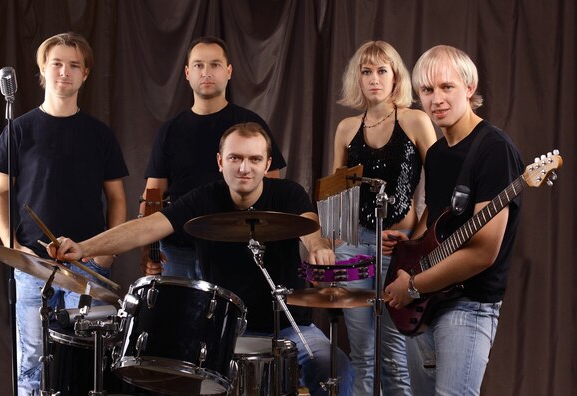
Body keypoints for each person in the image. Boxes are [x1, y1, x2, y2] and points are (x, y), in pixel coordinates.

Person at [49, 122, 354, 396]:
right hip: (223, 331)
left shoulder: (288, 194)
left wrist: (318, 247)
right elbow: (146, 227)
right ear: (221, 162)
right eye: (235, 158)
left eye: (254, 159)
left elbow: (309, 228)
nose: (244, 168)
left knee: (333, 368)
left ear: (267, 164)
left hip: (289, 326)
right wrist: (83, 248)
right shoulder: (204, 199)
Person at [0, 32, 128, 395]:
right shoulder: (17, 130)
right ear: (42, 70)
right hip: (34, 266)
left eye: (74, 65)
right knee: (32, 363)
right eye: (57, 64)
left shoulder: (99, 134)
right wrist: (13, 246)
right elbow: (0, 193)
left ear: (85, 75)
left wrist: (106, 252)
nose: (65, 71)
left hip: (88, 266)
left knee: (91, 365)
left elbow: (116, 198)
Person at [382, 45, 524, 395]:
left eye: (447, 87)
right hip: (427, 302)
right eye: (427, 91)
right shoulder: (437, 153)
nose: (437, 99)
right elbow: (435, 219)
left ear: (469, 88)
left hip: (468, 304)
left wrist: (413, 285)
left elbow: (482, 252)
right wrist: (411, 241)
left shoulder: (494, 148)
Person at [331, 40, 436, 395]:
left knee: (395, 357)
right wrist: (334, 243)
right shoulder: (347, 129)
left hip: (399, 249)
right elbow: (336, 194)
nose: (374, 79)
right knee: (363, 355)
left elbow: (440, 190)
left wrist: (416, 241)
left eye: (381, 71)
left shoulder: (415, 120)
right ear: (356, 79)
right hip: (355, 249)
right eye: (366, 71)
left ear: (395, 77)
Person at [140, 36, 286, 280]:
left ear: (229, 72)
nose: (206, 72)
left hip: (235, 251)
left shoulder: (251, 125)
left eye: (215, 65)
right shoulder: (170, 130)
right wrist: (148, 249)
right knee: (179, 318)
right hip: (178, 251)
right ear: (187, 73)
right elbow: (152, 195)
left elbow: (272, 188)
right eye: (198, 65)